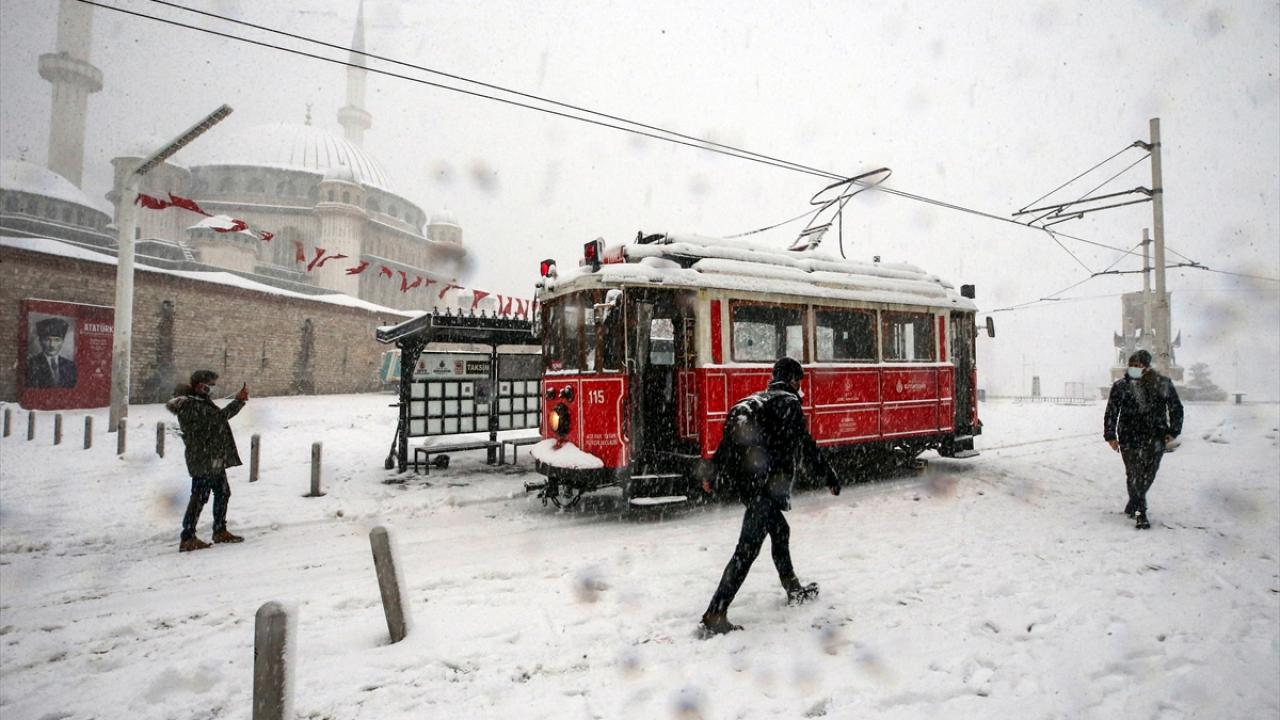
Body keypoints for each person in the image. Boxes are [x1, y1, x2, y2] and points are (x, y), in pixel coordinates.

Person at [699, 357, 842, 636]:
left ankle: (793, 589)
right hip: (765, 486)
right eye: (798, 381)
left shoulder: (749, 403)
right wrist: (829, 477)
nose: (799, 387)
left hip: (748, 484)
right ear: (792, 380)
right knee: (746, 550)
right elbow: (807, 448)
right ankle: (715, 612)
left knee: (780, 530)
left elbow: (729, 443)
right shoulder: (788, 405)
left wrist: (712, 473)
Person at [166, 370, 250, 552]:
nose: (211, 389)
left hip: (212, 457)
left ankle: (219, 530)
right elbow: (216, 419)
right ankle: (187, 537)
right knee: (199, 496)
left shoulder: (199, 401)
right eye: (209, 385)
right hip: (203, 458)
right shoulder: (189, 404)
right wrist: (238, 401)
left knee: (223, 492)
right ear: (199, 385)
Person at [1103, 350, 1184, 530]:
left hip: (1155, 436)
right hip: (1128, 437)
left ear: (1147, 367)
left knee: (1149, 474)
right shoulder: (1121, 386)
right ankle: (1141, 512)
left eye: (1139, 366)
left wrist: (1173, 431)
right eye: (1132, 365)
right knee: (1134, 474)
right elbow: (1111, 412)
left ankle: (1134, 501)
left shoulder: (1162, 384)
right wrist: (1110, 436)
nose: (1134, 369)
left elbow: (1176, 408)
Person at [26, 317, 77, 388]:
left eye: (57, 340)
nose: (52, 345)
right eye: (47, 339)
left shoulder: (70, 366)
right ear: (40, 341)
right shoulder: (31, 365)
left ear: (62, 342)